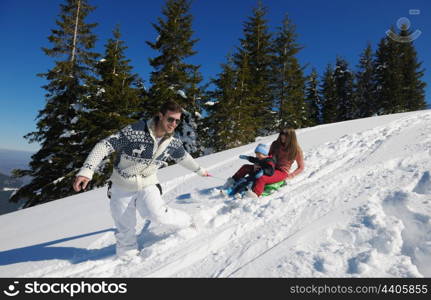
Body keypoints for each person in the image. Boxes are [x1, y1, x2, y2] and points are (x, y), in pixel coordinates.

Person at [73, 100, 208, 260]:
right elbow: (104, 145)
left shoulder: (172, 142)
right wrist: (87, 171)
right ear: (160, 116)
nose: (173, 124)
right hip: (122, 184)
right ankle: (128, 259)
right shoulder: (135, 131)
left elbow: (183, 158)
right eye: (170, 119)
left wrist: (200, 170)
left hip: (148, 183)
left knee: (157, 214)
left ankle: (188, 221)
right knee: (125, 226)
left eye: (177, 121)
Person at [225, 128, 305, 198]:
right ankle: (233, 181)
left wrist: (291, 175)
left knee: (261, 177)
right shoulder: (275, 144)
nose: (282, 139)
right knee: (245, 167)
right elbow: (267, 156)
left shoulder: (296, 150)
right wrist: (257, 164)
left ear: (291, 138)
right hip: (267, 166)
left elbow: (301, 167)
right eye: (281, 136)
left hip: (281, 172)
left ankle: (255, 194)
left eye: (285, 137)